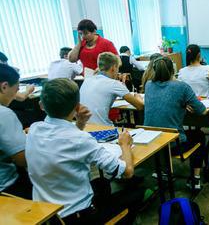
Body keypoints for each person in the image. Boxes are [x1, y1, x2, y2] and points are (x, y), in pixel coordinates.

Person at [26, 78, 145, 224]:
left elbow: (65, 141)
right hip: (77, 216)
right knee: (137, 193)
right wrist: (125, 144)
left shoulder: (33, 130)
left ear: (41, 105)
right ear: (77, 107)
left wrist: (80, 123)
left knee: (102, 183)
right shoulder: (80, 139)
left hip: (47, 214)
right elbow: (127, 172)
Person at [144, 57, 206, 190]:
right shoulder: (181, 86)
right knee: (199, 135)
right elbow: (201, 110)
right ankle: (195, 179)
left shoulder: (148, 85)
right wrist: (185, 105)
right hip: (173, 144)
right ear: (173, 71)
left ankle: (165, 171)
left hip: (151, 142)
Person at [80, 52, 143, 126]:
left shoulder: (87, 80)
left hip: (83, 127)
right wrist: (138, 97)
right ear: (113, 68)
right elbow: (140, 106)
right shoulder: (114, 84)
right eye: (118, 68)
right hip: (103, 129)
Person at [0, 64, 32, 199]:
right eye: (16, 89)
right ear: (4, 86)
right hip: (8, 188)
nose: (15, 96)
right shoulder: (4, 114)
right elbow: (23, 159)